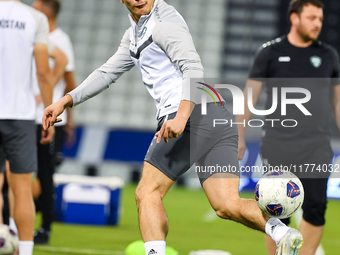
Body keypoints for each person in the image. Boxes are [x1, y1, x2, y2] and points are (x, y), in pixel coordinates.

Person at [42, 0, 304, 254]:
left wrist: (180, 116)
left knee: (147, 193)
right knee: (226, 205)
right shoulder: (134, 34)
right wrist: (65, 100)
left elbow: (192, 66)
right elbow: (106, 73)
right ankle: (282, 233)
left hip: (189, 115)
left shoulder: (163, 22)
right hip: (216, 114)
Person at [236, 1, 340, 255]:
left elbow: (338, 103)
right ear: (294, 18)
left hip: (317, 146)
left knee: (316, 207)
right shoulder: (269, 53)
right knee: (277, 209)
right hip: (278, 145)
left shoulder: (328, 56)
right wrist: (238, 136)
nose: (318, 23)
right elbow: (250, 97)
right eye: (312, 17)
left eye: (320, 18)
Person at [0, 0, 55, 254]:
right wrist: (48, 112)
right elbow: (43, 72)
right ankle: (25, 250)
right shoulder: (35, 18)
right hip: (20, 115)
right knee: (22, 188)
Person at [32, 0, 76, 245]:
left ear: (45, 9)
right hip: (27, 114)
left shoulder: (60, 40)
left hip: (51, 120)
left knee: (45, 175)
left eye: (36, 4)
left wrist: (69, 118)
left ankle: (46, 226)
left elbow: (70, 82)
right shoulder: (32, 34)